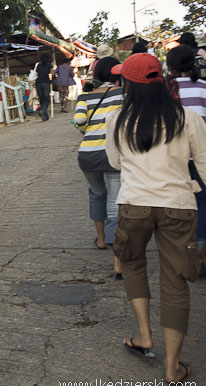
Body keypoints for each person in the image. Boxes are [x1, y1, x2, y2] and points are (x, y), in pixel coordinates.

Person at [106, 52, 206, 384]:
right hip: (178, 205)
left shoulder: (116, 119)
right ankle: (172, 366)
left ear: (129, 85)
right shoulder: (188, 117)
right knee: (176, 281)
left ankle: (144, 336)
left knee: (133, 264)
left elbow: (116, 163)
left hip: (134, 203)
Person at [73, 56, 124, 279]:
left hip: (87, 156)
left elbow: (79, 121)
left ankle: (101, 239)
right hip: (113, 154)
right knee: (115, 203)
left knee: (97, 193)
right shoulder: (123, 94)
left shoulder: (84, 96)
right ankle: (118, 261)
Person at [166, 45, 206, 269]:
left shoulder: (165, 92)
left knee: (176, 200)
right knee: (203, 201)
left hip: (173, 156)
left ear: (170, 67)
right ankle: (201, 241)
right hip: (200, 155)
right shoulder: (204, 88)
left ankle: (181, 248)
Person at [34, 52, 53, 121]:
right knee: (47, 99)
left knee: (41, 99)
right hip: (46, 83)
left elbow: (36, 73)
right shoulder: (49, 65)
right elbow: (52, 74)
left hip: (38, 83)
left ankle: (45, 116)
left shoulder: (38, 65)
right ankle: (43, 110)